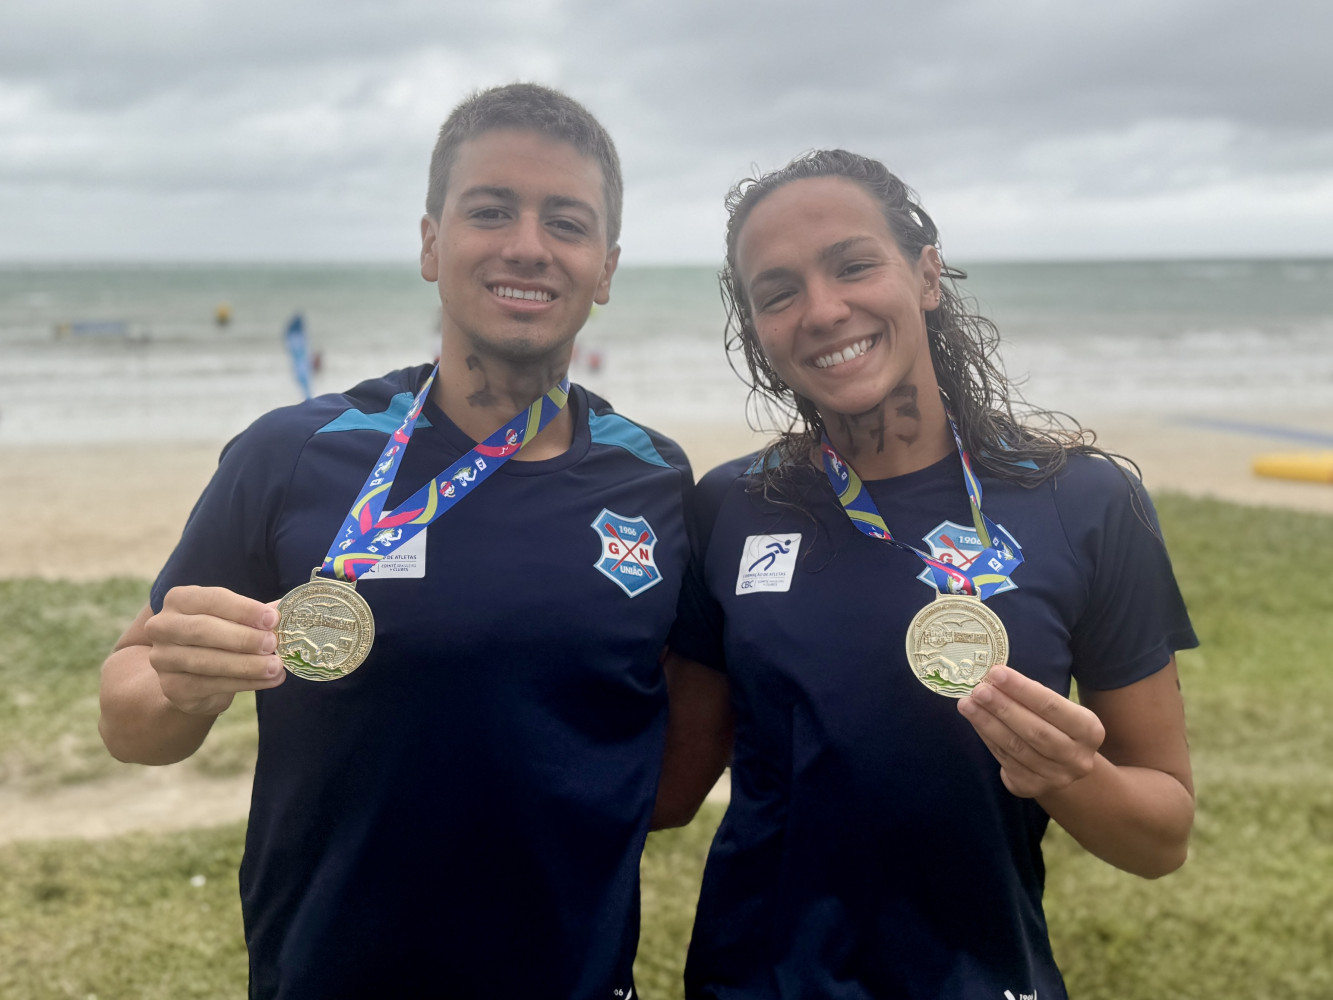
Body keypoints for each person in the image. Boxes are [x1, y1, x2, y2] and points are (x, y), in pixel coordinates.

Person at [98, 83, 694, 998]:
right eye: (490, 210)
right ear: (431, 242)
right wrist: (181, 688)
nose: (526, 245)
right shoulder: (295, 451)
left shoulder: (655, 478)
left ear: (605, 267)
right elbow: (129, 717)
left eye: (564, 222)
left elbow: (672, 763)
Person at [657, 150, 1196, 999]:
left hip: (985, 976)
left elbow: (1161, 836)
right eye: (778, 292)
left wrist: (1069, 776)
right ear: (757, 331)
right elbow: (665, 790)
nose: (823, 310)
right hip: (755, 980)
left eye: (853, 265)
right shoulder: (730, 506)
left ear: (926, 274)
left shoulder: (1086, 502)